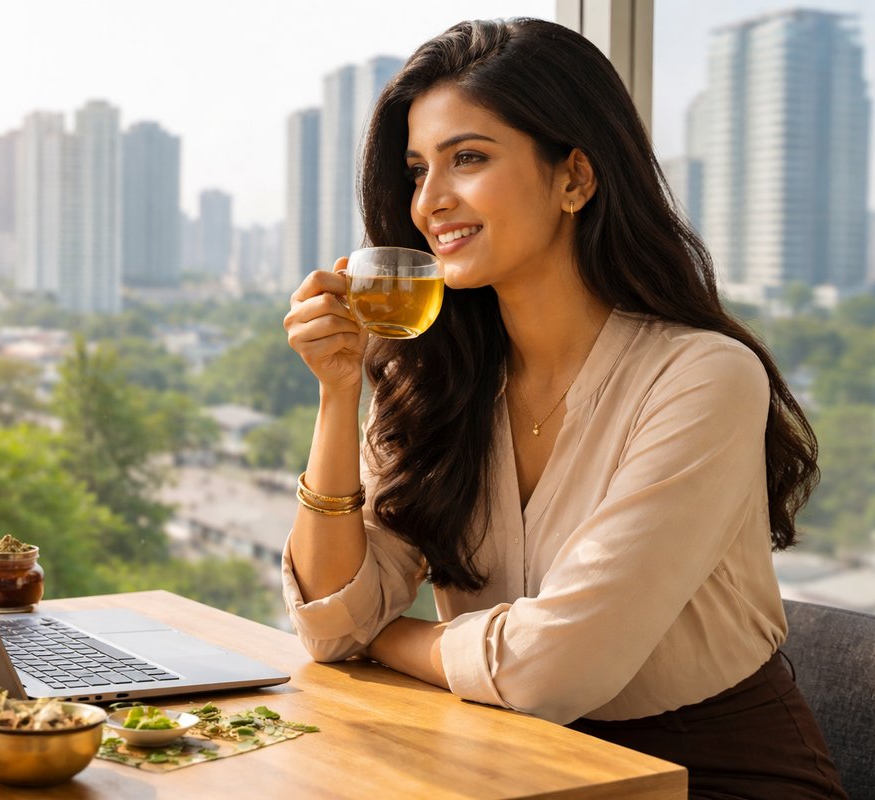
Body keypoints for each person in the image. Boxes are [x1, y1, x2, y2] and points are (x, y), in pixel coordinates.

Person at [282, 18, 846, 799]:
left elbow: (555, 669)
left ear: (575, 178)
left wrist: (387, 638)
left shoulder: (703, 378)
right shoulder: (437, 379)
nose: (429, 201)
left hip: (706, 774)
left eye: (468, 159)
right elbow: (329, 622)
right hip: (505, 761)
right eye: (416, 171)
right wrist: (339, 395)